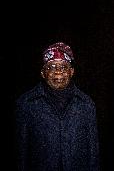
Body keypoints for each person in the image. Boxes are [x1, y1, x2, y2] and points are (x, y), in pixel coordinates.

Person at [15, 42, 100, 171]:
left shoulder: (86, 104)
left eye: (64, 67)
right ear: (43, 72)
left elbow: (93, 152)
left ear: (71, 72)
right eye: (52, 67)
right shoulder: (27, 103)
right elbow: (21, 153)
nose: (58, 72)